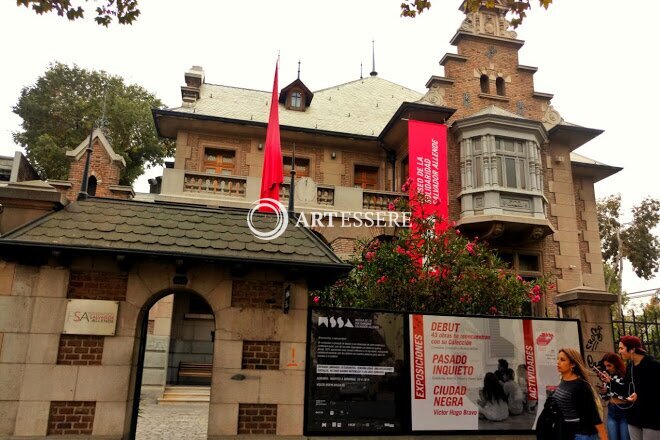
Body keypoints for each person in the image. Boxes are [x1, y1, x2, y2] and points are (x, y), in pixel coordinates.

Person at [553, 348, 606, 440]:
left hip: (583, 435)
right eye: (557, 359)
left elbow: (593, 414)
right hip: (569, 433)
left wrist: (604, 437)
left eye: (562, 360)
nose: (558, 362)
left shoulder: (581, 385)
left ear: (573, 364)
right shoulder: (563, 381)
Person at [617, 336, 660, 440]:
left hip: (651, 417)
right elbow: (627, 388)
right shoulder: (630, 366)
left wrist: (640, 396)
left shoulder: (653, 365)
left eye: (621, 348)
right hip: (633, 416)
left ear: (632, 349)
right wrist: (610, 383)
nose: (619, 351)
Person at [597, 353, 630, 440]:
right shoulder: (607, 375)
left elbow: (625, 395)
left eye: (609, 365)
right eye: (605, 366)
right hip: (611, 410)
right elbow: (605, 398)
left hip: (624, 411)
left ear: (616, 364)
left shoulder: (625, 376)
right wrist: (604, 392)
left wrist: (610, 384)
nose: (607, 368)